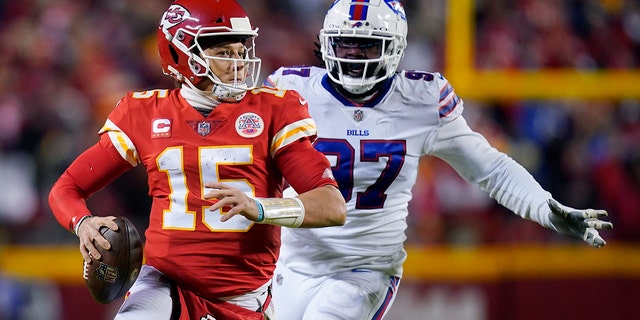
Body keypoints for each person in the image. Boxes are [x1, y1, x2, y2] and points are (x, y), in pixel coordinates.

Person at [263, 0, 614, 319]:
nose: (354, 56)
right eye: (346, 44)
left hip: (365, 268)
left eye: (368, 45)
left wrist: (543, 206)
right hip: (290, 263)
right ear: (327, 44)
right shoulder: (291, 90)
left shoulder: (421, 101)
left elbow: (489, 168)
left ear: (395, 47)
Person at [48, 0, 346, 319]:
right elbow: (66, 189)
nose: (240, 63)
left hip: (245, 297)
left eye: (241, 51)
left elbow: (332, 206)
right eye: (224, 53)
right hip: (165, 285)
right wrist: (83, 223)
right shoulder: (145, 114)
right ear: (182, 55)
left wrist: (261, 208)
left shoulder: (273, 111)